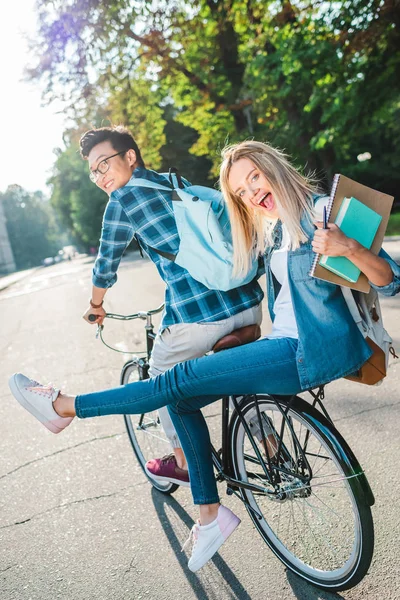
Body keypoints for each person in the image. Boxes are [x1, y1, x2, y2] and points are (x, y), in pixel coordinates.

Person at [9, 140, 400, 572]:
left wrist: (350, 249)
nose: (252, 192)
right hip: (278, 343)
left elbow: (390, 280)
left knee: (170, 382)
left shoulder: (325, 212)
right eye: (241, 191)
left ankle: (64, 406)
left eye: (255, 177)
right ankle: (211, 514)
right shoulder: (273, 228)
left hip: (301, 352)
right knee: (181, 399)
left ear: (274, 167)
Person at [78, 126, 264, 487]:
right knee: (236, 372)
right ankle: (271, 446)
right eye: (94, 171)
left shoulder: (122, 201)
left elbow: (105, 264)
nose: (100, 176)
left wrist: (95, 304)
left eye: (104, 164)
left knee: (160, 375)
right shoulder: (173, 182)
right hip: (246, 302)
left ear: (130, 157)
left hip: (201, 319)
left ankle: (181, 460)